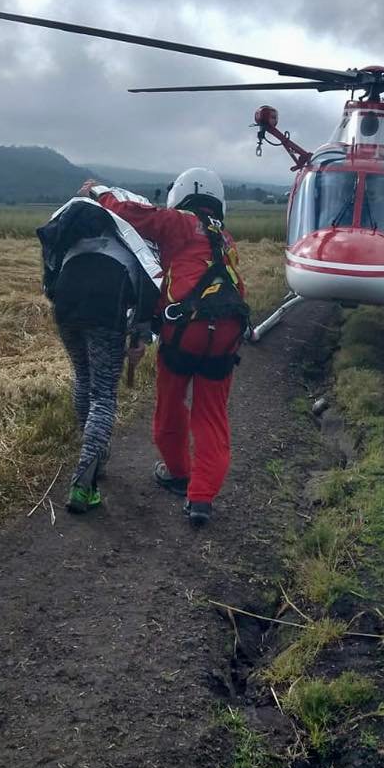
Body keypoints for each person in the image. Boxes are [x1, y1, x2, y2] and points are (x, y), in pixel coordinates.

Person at [82, 168, 249, 527]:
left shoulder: (180, 222)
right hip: (228, 331)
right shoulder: (226, 238)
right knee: (212, 415)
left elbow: (133, 215)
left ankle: (177, 473)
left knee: (171, 405)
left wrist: (99, 192)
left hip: (182, 330)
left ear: (182, 196)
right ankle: (201, 499)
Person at [36, 190, 161, 514]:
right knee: (103, 394)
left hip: (66, 306)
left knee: (83, 378)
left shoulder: (77, 241)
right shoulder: (132, 246)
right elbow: (145, 297)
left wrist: (132, 341)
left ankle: (94, 455)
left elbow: (51, 281)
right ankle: (83, 483)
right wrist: (139, 340)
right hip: (104, 311)